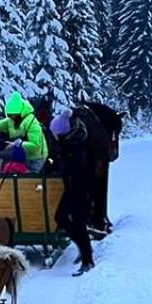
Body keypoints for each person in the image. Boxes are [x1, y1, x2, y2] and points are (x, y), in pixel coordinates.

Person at [50, 111, 96, 275]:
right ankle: (84, 250)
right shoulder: (69, 144)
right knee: (61, 218)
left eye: (54, 132)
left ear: (62, 133)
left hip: (79, 189)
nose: (53, 135)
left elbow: (75, 169)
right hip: (73, 188)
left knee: (77, 222)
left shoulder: (72, 147)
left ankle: (87, 260)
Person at [0, 92, 48, 173]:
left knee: (29, 178)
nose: (10, 117)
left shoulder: (32, 123)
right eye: (9, 115)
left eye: (12, 115)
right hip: (21, 154)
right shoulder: (11, 120)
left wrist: (17, 144)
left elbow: (35, 145)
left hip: (36, 157)